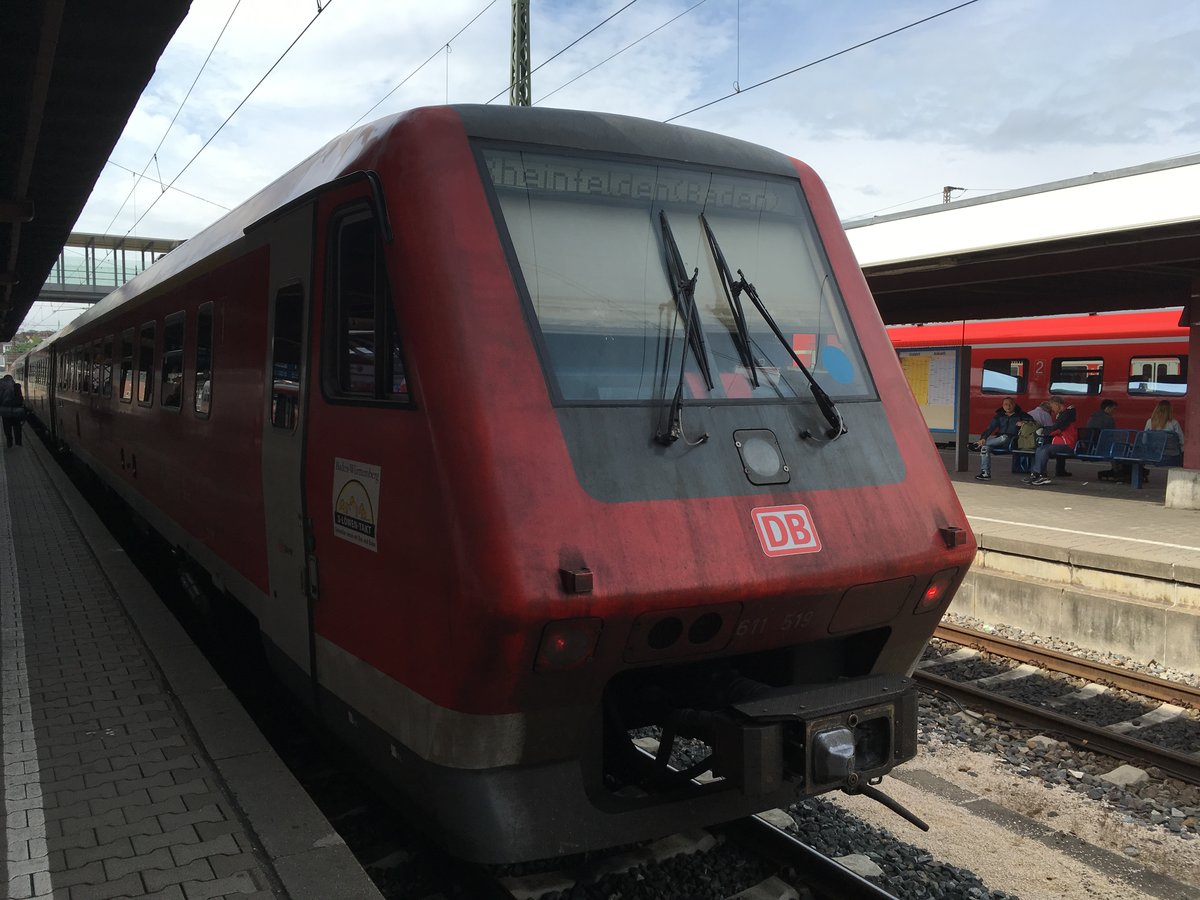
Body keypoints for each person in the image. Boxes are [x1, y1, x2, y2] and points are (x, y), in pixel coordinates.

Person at [971, 396, 1030, 481]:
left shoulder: (1022, 415)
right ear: (1002, 405)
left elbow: (1033, 424)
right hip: (998, 441)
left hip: (1013, 441)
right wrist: (983, 438)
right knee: (985, 448)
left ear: (1014, 405)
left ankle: (977, 445)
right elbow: (989, 429)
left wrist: (1024, 423)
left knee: (1004, 437)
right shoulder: (999, 416)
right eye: (1005, 404)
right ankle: (985, 473)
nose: (1008, 406)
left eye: (1010, 404)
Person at [1025, 395, 1077, 485]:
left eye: (1052, 407)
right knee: (1039, 449)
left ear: (1057, 404)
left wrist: (1044, 432)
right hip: (1060, 443)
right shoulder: (1063, 415)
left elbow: (1056, 428)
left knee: (1044, 449)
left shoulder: (1066, 415)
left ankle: (1041, 475)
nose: (1052, 410)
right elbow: (1056, 428)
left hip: (1067, 444)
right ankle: (1037, 474)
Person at [1145, 399, 1185, 467]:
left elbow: (1144, 440)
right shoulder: (1174, 423)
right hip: (1172, 458)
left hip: (1153, 457)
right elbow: (1182, 442)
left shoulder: (1150, 422)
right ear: (1170, 411)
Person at [0, 374, 24, 449]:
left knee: (7, 428)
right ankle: (18, 443)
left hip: (5, 412)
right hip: (16, 412)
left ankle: (9, 442)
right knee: (17, 427)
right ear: (12, 380)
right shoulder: (17, 386)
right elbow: (20, 399)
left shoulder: (1, 387)